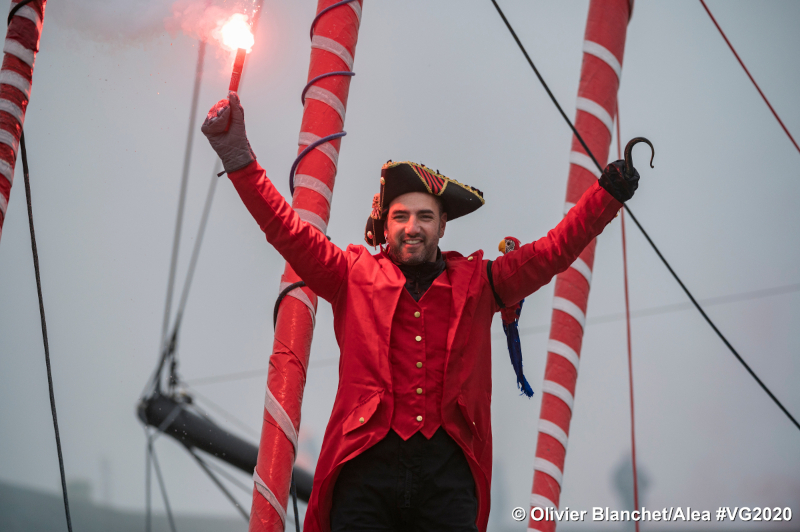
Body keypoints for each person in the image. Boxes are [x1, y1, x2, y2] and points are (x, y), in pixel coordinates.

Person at [202, 92, 640, 532]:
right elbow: (287, 231)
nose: (412, 227)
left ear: (442, 225)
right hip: (364, 468)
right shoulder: (349, 274)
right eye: (401, 217)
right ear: (385, 224)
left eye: (424, 217)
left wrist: (606, 197)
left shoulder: (484, 282)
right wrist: (238, 156)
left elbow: (553, 253)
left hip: (447, 475)